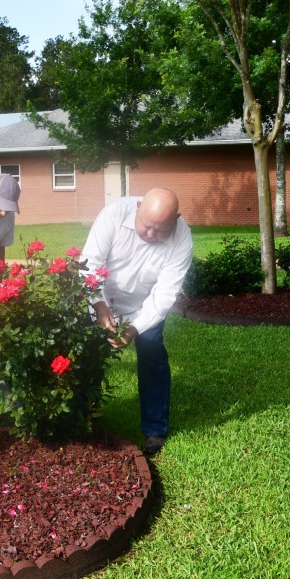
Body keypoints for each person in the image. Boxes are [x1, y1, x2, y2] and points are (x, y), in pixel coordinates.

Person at [82, 187, 193, 456]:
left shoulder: (182, 238)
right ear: (138, 207)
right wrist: (99, 305)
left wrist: (133, 329)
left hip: (146, 306)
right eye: (146, 226)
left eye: (160, 230)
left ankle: (155, 430)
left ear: (176, 219)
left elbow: (165, 294)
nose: (151, 235)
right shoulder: (113, 214)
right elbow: (90, 263)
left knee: (152, 351)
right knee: (89, 354)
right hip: (102, 296)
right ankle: (85, 416)